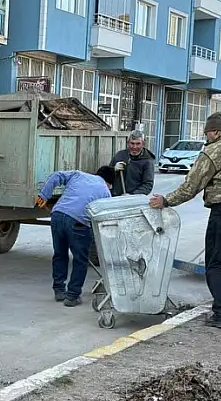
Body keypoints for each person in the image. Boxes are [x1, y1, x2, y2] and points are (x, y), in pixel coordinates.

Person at [149, 113, 221, 329]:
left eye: (208, 132)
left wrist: (166, 201)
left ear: (216, 131)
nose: (207, 136)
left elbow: (191, 186)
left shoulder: (213, 151)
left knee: (216, 263)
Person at [36, 166, 114, 306]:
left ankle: (59, 290)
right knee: (80, 260)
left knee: (60, 254)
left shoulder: (79, 175)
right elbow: (102, 220)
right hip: (78, 222)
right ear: (110, 183)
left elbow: (56, 175)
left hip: (57, 215)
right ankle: (72, 296)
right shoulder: (105, 191)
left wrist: (44, 195)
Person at [108, 131, 156, 196]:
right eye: (132, 143)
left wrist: (131, 196)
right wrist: (113, 169)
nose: (135, 147)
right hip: (115, 197)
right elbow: (106, 178)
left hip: (134, 201)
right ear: (128, 143)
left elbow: (147, 185)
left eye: (138, 144)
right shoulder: (119, 155)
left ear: (143, 144)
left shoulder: (147, 161)